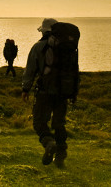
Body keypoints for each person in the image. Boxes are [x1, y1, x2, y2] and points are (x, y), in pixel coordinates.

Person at [22, 18, 70, 168]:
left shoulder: (38, 47)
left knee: (39, 122)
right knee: (59, 124)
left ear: (44, 31)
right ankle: (60, 156)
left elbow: (30, 70)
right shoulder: (66, 47)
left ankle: (49, 143)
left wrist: (25, 88)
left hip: (44, 92)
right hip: (63, 92)